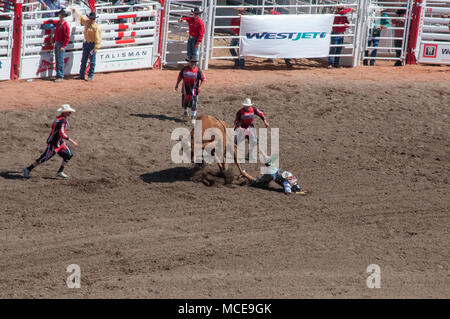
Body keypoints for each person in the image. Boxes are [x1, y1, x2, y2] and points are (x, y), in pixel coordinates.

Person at [23, 104, 78, 179]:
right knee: (44, 158)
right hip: (54, 143)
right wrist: (72, 141)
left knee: (69, 155)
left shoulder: (58, 118)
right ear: (65, 112)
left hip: (59, 142)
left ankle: (60, 172)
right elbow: (62, 133)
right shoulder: (63, 121)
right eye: (69, 112)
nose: (70, 113)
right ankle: (28, 169)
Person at [240, 160, 308, 195]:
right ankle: (244, 173)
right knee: (258, 183)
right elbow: (288, 192)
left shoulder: (293, 178)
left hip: (275, 170)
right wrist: (297, 193)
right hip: (271, 174)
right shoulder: (288, 183)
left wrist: (301, 191)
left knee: (263, 183)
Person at [72, 8, 102, 81]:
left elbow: (98, 39)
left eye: (93, 19)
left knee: (92, 61)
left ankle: (90, 75)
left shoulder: (96, 27)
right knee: (84, 60)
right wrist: (76, 11)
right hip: (87, 43)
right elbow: (81, 17)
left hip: (92, 44)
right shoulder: (87, 22)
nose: (92, 20)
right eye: (91, 18)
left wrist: (96, 48)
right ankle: (82, 75)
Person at [174, 57, 206, 125]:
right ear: (189, 62)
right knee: (184, 102)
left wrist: (200, 87)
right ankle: (185, 112)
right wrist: (177, 84)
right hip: (185, 90)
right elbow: (180, 77)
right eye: (191, 62)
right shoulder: (184, 69)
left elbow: (203, 79)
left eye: (193, 62)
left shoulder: (198, 70)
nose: (192, 63)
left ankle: (193, 116)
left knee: (194, 103)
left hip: (194, 90)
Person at [54, 9, 70, 82]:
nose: (60, 17)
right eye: (60, 16)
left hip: (60, 43)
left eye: (61, 16)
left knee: (60, 60)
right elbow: (56, 33)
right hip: (57, 43)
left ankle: (60, 76)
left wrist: (63, 46)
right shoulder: (59, 24)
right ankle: (58, 75)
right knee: (58, 60)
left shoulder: (65, 25)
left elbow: (67, 37)